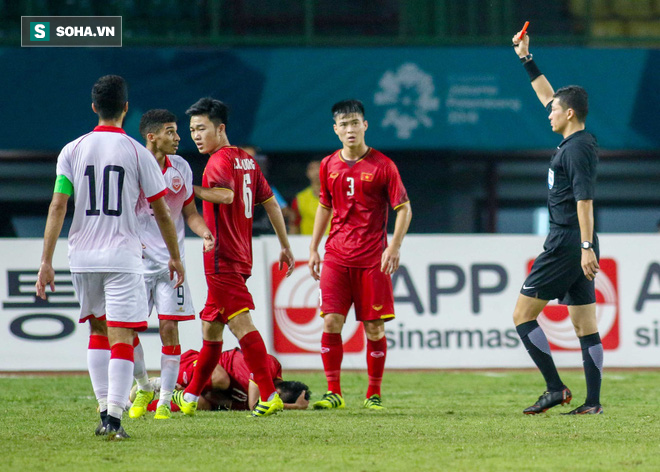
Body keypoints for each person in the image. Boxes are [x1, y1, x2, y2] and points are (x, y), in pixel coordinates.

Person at [35, 75, 185, 440]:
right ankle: (114, 420)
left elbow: (59, 204)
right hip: (123, 256)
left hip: (83, 256)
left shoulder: (72, 150)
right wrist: (176, 256)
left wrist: (46, 261)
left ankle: (103, 410)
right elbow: (162, 211)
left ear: (93, 107)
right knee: (122, 335)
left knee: (97, 332)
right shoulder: (137, 152)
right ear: (126, 109)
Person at [172, 97, 295, 418]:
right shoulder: (246, 160)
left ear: (220, 128)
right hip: (242, 255)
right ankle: (190, 396)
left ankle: (269, 395)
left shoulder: (217, 162)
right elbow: (270, 202)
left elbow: (225, 195)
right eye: (192, 130)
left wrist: (189, 189)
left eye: (201, 129)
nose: (196, 136)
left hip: (222, 257)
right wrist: (284, 243)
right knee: (211, 329)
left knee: (241, 323)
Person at [512, 30, 603, 415]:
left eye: (554, 110)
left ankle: (554, 388)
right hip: (577, 241)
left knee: (521, 316)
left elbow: (584, 200)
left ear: (569, 114)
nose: (547, 111)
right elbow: (546, 94)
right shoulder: (578, 139)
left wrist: (583, 248)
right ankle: (593, 404)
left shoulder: (576, 150)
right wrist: (526, 58)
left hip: (568, 241)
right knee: (585, 325)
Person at [308, 99, 412, 410]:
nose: (350, 129)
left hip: (372, 259)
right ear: (336, 130)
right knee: (331, 323)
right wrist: (313, 248)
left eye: (356, 123)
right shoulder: (328, 164)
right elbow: (325, 206)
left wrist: (394, 246)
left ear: (365, 125)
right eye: (344, 124)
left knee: (374, 327)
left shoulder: (383, 165)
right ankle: (333, 393)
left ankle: (373, 394)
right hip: (336, 257)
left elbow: (404, 208)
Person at [128, 109, 215, 421]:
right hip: (135, 265)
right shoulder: (132, 165)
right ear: (152, 137)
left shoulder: (181, 167)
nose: (179, 138)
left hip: (170, 265)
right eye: (170, 131)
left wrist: (204, 231)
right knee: (129, 331)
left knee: (169, 329)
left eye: (177, 131)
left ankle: (164, 400)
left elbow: (189, 211)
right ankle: (142, 386)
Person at [131, 348, 310, 412]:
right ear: (276, 392)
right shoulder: (269, 366)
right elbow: (255, 404)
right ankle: (161, 383)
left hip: (209, 390)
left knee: (202, 405)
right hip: (202, 365)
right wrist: (295, 406)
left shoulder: (242, 403)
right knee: (221, 379)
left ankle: (130, 404)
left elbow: (227, 403)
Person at [289, 160, 329, 235]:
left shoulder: (339, 196)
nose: (317, 172)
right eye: (312, 168)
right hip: (308, 244)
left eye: (320, 167)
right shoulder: (300, 199)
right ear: (307, 173)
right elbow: (294, 225)